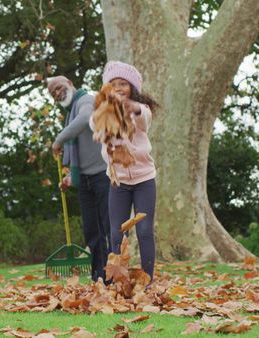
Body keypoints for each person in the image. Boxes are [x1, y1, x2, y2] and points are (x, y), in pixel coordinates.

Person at [90, 61, 159, 285]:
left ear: (133, 89)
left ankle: (146, 282)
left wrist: (132, 106)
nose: (119, 88)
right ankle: (117, 280)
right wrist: (105, 108)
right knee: (117, 232)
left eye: (124, 84)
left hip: (144, 180)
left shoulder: (138, 110)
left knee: (145, 230)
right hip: (117, 182)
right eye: (113, 84)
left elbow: (145, 115)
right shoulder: (102, 111)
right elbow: (94, 125)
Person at [48, 76, 111, 282]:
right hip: (84, 180)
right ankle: (99, 278)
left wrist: (59, 139)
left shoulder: (85, 100)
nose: (57, 93)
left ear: (70, 83)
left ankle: (117, 276)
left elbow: (85, 119)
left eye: (59, 88)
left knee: (109, 228)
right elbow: (80, 154)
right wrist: (69, 178)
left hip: (103, 176)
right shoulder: (69, 113)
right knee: (92, 231)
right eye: (53, 93)